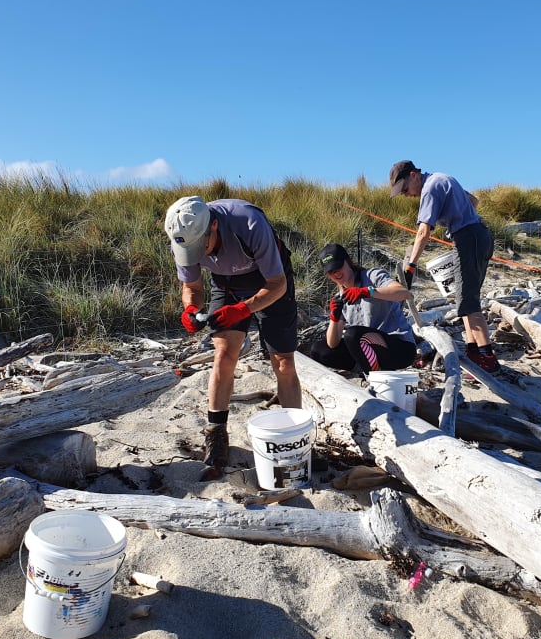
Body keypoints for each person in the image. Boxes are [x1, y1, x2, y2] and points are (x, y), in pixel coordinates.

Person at [164, 195, 301, 481]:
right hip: (226, 284)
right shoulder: (183, 237)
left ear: (213, 226)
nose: (197, 255)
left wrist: (242, 309)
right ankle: (216, 434)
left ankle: (293, 435)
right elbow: (192, 287)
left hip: (270, 280)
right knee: (224, 355)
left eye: (201, 248)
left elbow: (277, 284)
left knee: (283, 361)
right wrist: (190, 309)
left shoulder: (249, 223)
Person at [388, 159, 500, 373]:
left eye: (405, 189)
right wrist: (457, 216)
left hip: (468, 239)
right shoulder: (442, 178)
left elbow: (423, 232)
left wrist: (411, 266)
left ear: (413, 175)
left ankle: (488, 358)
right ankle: (473, 351)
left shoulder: (429, 189)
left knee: (469, 302)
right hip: (478, 236)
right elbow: (473, 201)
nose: (407, 195)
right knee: (464, 298)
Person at [309, 243, 417, 374]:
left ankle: (374, 377)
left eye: (338, 267)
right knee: (318, 350)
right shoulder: (341, 297)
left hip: (400, 348)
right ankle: (366, 370)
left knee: (353, 335)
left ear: (348, 261)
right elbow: (332, 344)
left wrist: (367, 292)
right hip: (368, 349)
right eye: (331, 271)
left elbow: (404, 293)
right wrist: (334, 317)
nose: (336, 273)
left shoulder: (372, 276)